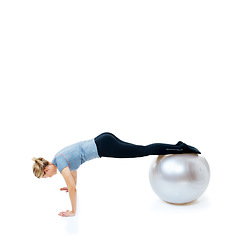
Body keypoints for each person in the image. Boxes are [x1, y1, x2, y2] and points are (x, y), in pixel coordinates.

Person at [32, 132, 201, 217]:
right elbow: (74, 172)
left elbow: (72, 186)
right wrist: (71, 186)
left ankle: (180, 148)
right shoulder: (58, 158)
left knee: (143, 150)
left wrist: (73, 211)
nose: (49, 178)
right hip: (103, 140)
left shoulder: (60, 163)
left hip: (105, 146)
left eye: (46, 177)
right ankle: (177, 146)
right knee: (142, 149)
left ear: (46, 169)